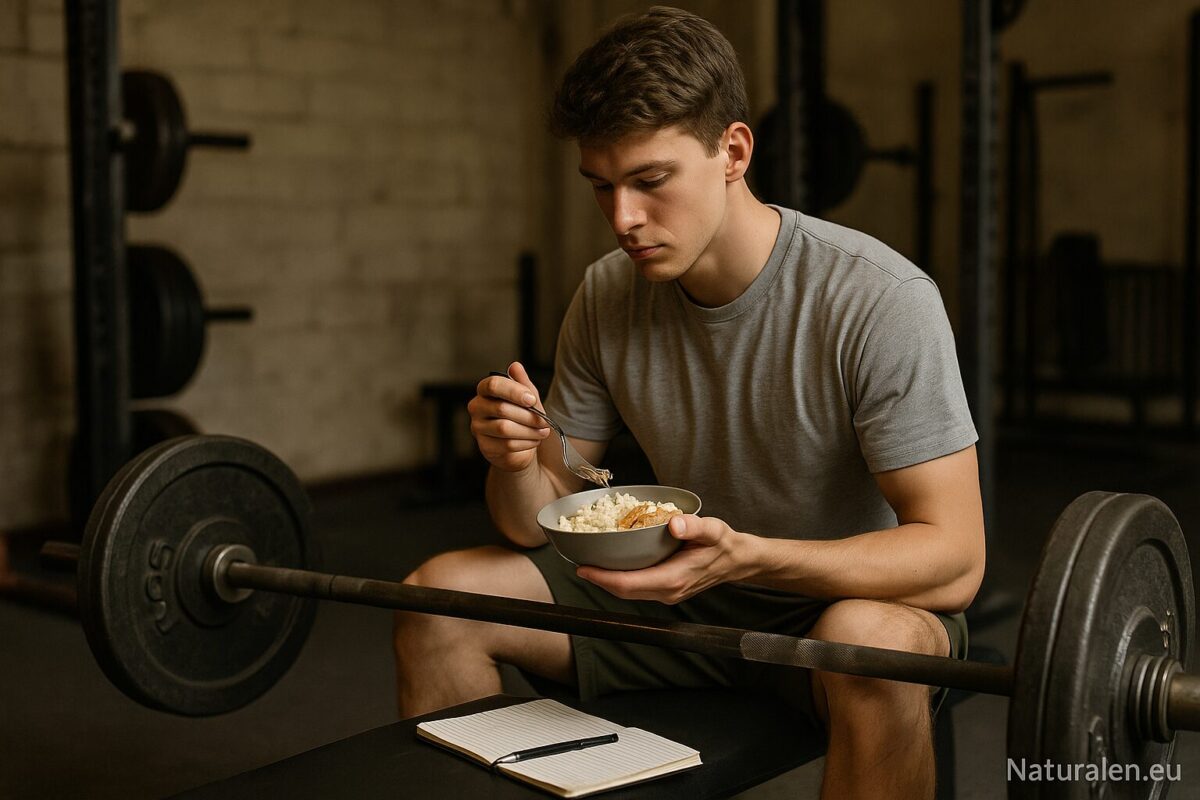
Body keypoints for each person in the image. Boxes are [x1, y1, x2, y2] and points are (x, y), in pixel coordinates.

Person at [394, 7, 984, 799]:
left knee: (864, 642)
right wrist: (513, 460)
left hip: (838, 602)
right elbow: (538, 516)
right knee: (439, 598)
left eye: (650, 181)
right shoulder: (608, 292)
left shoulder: (878, 299)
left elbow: (955, 562)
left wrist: (752, 555)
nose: (623, 219)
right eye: (602, 187)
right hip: (680, 598)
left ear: (733, 151)